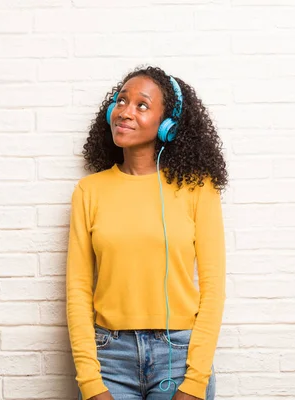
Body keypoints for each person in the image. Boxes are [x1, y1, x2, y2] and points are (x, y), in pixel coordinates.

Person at [65, 66, 228, 400]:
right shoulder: (89, 191)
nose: (125, 111)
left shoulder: (198, 189)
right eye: (121, 101)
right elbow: (78, 290)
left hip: (179, 356)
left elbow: (213, 290)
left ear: (167, 124)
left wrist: (195, 381)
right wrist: (90, 381)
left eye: (142, 105)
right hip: (109, 358)